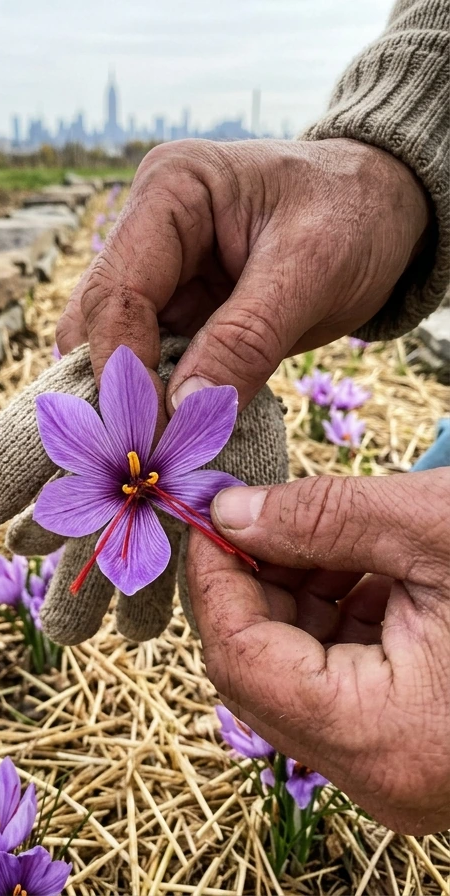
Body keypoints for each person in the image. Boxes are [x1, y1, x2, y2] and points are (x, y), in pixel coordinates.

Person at [55, 0, 450, 834]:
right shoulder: (132, 478)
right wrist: (390, 166)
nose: (139, 477)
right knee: (403, 569)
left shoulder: (167, 471)